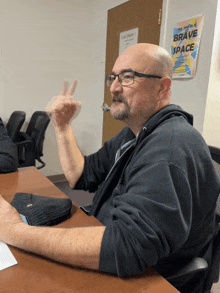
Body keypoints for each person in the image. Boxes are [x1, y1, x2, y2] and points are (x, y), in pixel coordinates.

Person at [0, 43, 219, 292]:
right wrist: (62, 126)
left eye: (128, 77)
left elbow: (127, 248)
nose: (114, 87)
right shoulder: (134, 134)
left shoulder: (169, 147)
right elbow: (82, 176)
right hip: (109, 243)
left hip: (147, 277)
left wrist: (15, 231)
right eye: (113, 77)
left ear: (162, 87)